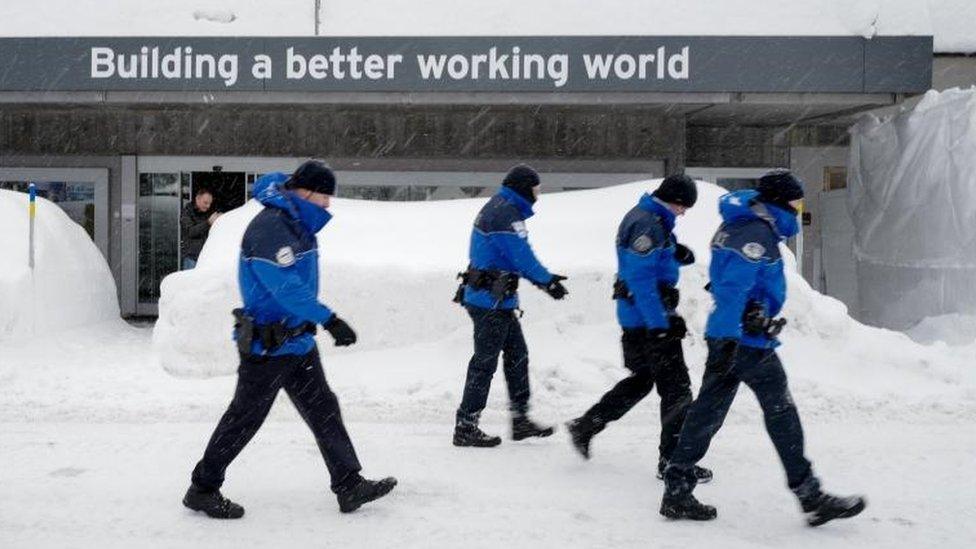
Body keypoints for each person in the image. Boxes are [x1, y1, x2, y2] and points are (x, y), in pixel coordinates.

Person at [183, 160, 396, 519]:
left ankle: (348, 484)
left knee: (323, 408)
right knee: (244, 418)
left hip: (297, 343)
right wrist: (329, 319)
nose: (328, 204)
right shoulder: (271, 227)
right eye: (325, 196)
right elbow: (285, 288)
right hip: (268, 346)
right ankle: (202, 488)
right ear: (306, 192)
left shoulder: (295, 223)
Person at [660, 169, 866, 527]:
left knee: (707, 412)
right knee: (780, 412)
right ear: (779, 201)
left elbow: (728, 283)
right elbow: (733, 288)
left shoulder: (746, 226)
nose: (798, 208)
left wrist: (730, 332)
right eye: (795, 201)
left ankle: (677, 489)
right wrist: (738, 328)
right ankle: (810, 495)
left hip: (733, 337)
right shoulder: (754, 233)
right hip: (745, 341)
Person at [566, 175, 712, 483]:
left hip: (638, 318)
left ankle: (586, 426)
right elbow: (641, 279)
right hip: (648, 319)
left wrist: (675, 253)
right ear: (672, 199)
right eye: (682, 206)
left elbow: (648, 262)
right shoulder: (647, 223)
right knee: (676, 389)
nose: (683, 212)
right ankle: (673, 461)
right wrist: (660, 325)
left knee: (643, 380)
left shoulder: (650, 218)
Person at [452, 164, 568, 447]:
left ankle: (520, 420)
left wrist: (545, 281)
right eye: (535, 189)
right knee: (484, 363)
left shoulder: (502, 207)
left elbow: (513, 258)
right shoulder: (504, 213)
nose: (538, 195)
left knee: (517, 356)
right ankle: (466, 426)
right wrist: (546, 281)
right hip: (488, 301)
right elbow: (521, 256)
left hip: (496, 299)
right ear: (523, 189)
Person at [180, 187, 220, 270]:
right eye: (205, 203)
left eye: (210, 203)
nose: (208, 206)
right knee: (191, 282)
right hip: (192, 258)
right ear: (197, 199)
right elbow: (190, 232)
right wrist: (208, 223)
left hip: (206, 258)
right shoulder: (187, 212)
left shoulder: (208, 212)